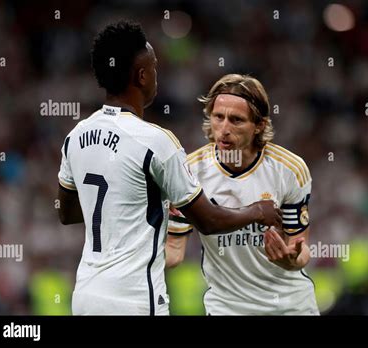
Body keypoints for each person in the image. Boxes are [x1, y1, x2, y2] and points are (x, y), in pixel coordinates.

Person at [56, 21, 281, 316]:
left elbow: (67, 213)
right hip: (135, 299)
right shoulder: (155, 141)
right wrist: (257, 211)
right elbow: (208, 221)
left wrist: (123, 203)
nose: (156, 77)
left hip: (85, 295)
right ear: (142, 75)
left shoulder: (76, 136)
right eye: (155, 68)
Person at [167, 74, 319, 315]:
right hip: (227, 309)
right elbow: (174, 252)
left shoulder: (290, 169)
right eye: (218, 117)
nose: (224, 129)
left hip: (290, 307)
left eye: (236, 120)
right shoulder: (189, 171)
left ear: (259, 125)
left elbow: (300, 250)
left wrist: (291, 259)